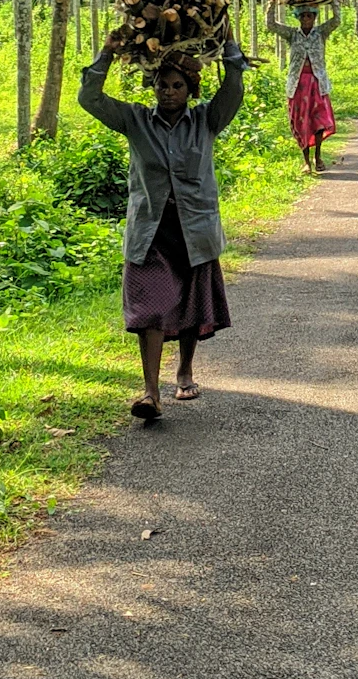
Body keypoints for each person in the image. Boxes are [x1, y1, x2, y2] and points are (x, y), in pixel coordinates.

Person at [78, 29, 246, 424]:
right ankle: (151, 392)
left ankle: (185, 369)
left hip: (194, 229)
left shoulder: (207, 120)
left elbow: (233, 86)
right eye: (162, 85)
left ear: (190, 89)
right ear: (152, 86)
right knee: (150, 308)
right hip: (151, 231)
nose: (168, 92)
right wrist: (107, 52)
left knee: (190, 301)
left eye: (177, 86)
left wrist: (228, 45)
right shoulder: (135, 121)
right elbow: (90, 98)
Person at [266, 0, 340, 172]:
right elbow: (271, 25)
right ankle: (306, 160)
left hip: (317, 83)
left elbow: (337, 20)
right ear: (298, 18)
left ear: (315, 17)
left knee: (319, 121)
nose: (306, 19)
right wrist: (272, 3)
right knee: (301, 122)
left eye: (310, 16)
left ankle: (318, 157)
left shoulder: (321, 33)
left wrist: (333, 0)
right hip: (298, 86)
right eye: (303, 16)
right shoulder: (292, 35)